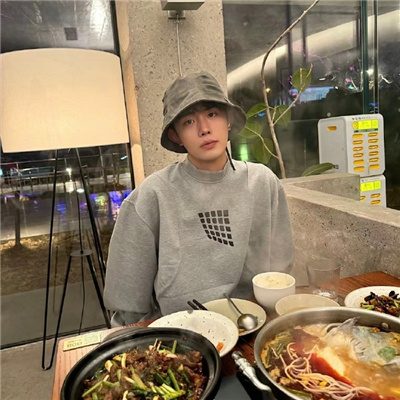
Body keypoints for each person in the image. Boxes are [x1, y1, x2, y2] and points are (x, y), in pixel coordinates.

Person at [103, 71, 294, 326]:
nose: (204, 129)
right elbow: (127, 306)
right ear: (176, 136)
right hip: (180, 331)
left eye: (212, 114)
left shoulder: (262, 182)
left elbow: (280, 271)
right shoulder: (152, 196)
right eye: (189, 121)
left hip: (253, 323)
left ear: (228, 120)